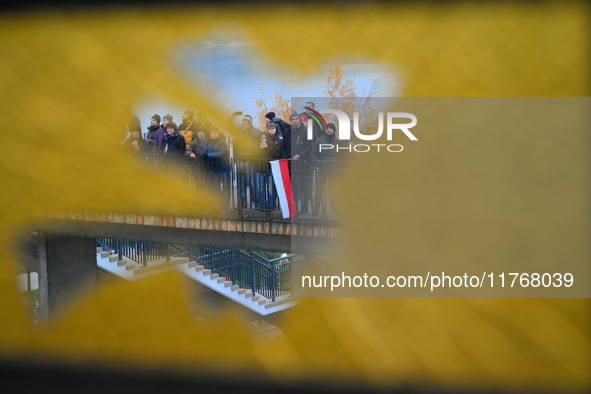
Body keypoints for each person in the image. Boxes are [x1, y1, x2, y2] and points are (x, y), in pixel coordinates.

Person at [283, 112, 313, 213]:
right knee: (293, 186)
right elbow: (284, 147)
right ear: (290, 121)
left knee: (303, 185)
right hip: (291, 163)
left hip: (302, 163)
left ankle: (304, 207)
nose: (295, 121)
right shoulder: (287, 132)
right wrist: (286, 158)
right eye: (293, 119)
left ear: (299, 120)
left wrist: (299, 155)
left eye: (296, 119)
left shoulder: (306, 131)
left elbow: (309, 146)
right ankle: (293, 207)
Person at [310, 122, 338, 214]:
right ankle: (316, 209)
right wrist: (319, 163)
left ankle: (334, 209)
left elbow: (342, 155)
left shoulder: (338, 143)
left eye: (331, 128)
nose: (329, 129)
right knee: (319, 189)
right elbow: (313, 154)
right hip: (322, 169)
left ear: (334, 130)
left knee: (334, 190)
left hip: (334, 170)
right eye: (327, 128)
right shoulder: (319, 141)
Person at [202, 127, 231, 205]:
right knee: (216, 187)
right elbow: (204, 152)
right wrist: (205, 155)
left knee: (226, 187)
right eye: (212, 133)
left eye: (215, 132)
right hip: (214, 167)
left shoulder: (222, 142)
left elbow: (222, 153)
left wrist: (208, 155)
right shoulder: (208, 142)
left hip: (224, 167)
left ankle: (226, 203)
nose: (213, 134)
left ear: (218, 133)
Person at [254, 129, 279, 211]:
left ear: (267, 138)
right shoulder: (257, 145)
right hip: (259, 169)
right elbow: (254, 156)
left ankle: (272, 205)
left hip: (269, 169)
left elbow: (274, 155)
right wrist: (260, 149)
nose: (263, 139)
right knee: (260, 188)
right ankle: (262, 205)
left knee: (271, 189)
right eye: (261, 138)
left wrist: (266, 148)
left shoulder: (272, 145)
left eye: (264, 137)